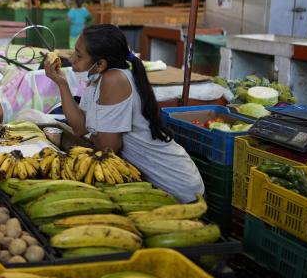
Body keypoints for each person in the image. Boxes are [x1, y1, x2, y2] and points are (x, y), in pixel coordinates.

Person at [43, 24, 204, 202]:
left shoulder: (114, 79)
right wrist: (62, 84)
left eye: (79, 55)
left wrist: (97, 133)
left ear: (100, 64)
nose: (72, 59)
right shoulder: (96, 79)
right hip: (150, 182)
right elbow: (80, 128)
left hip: (176, 184)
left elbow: (108, 147)